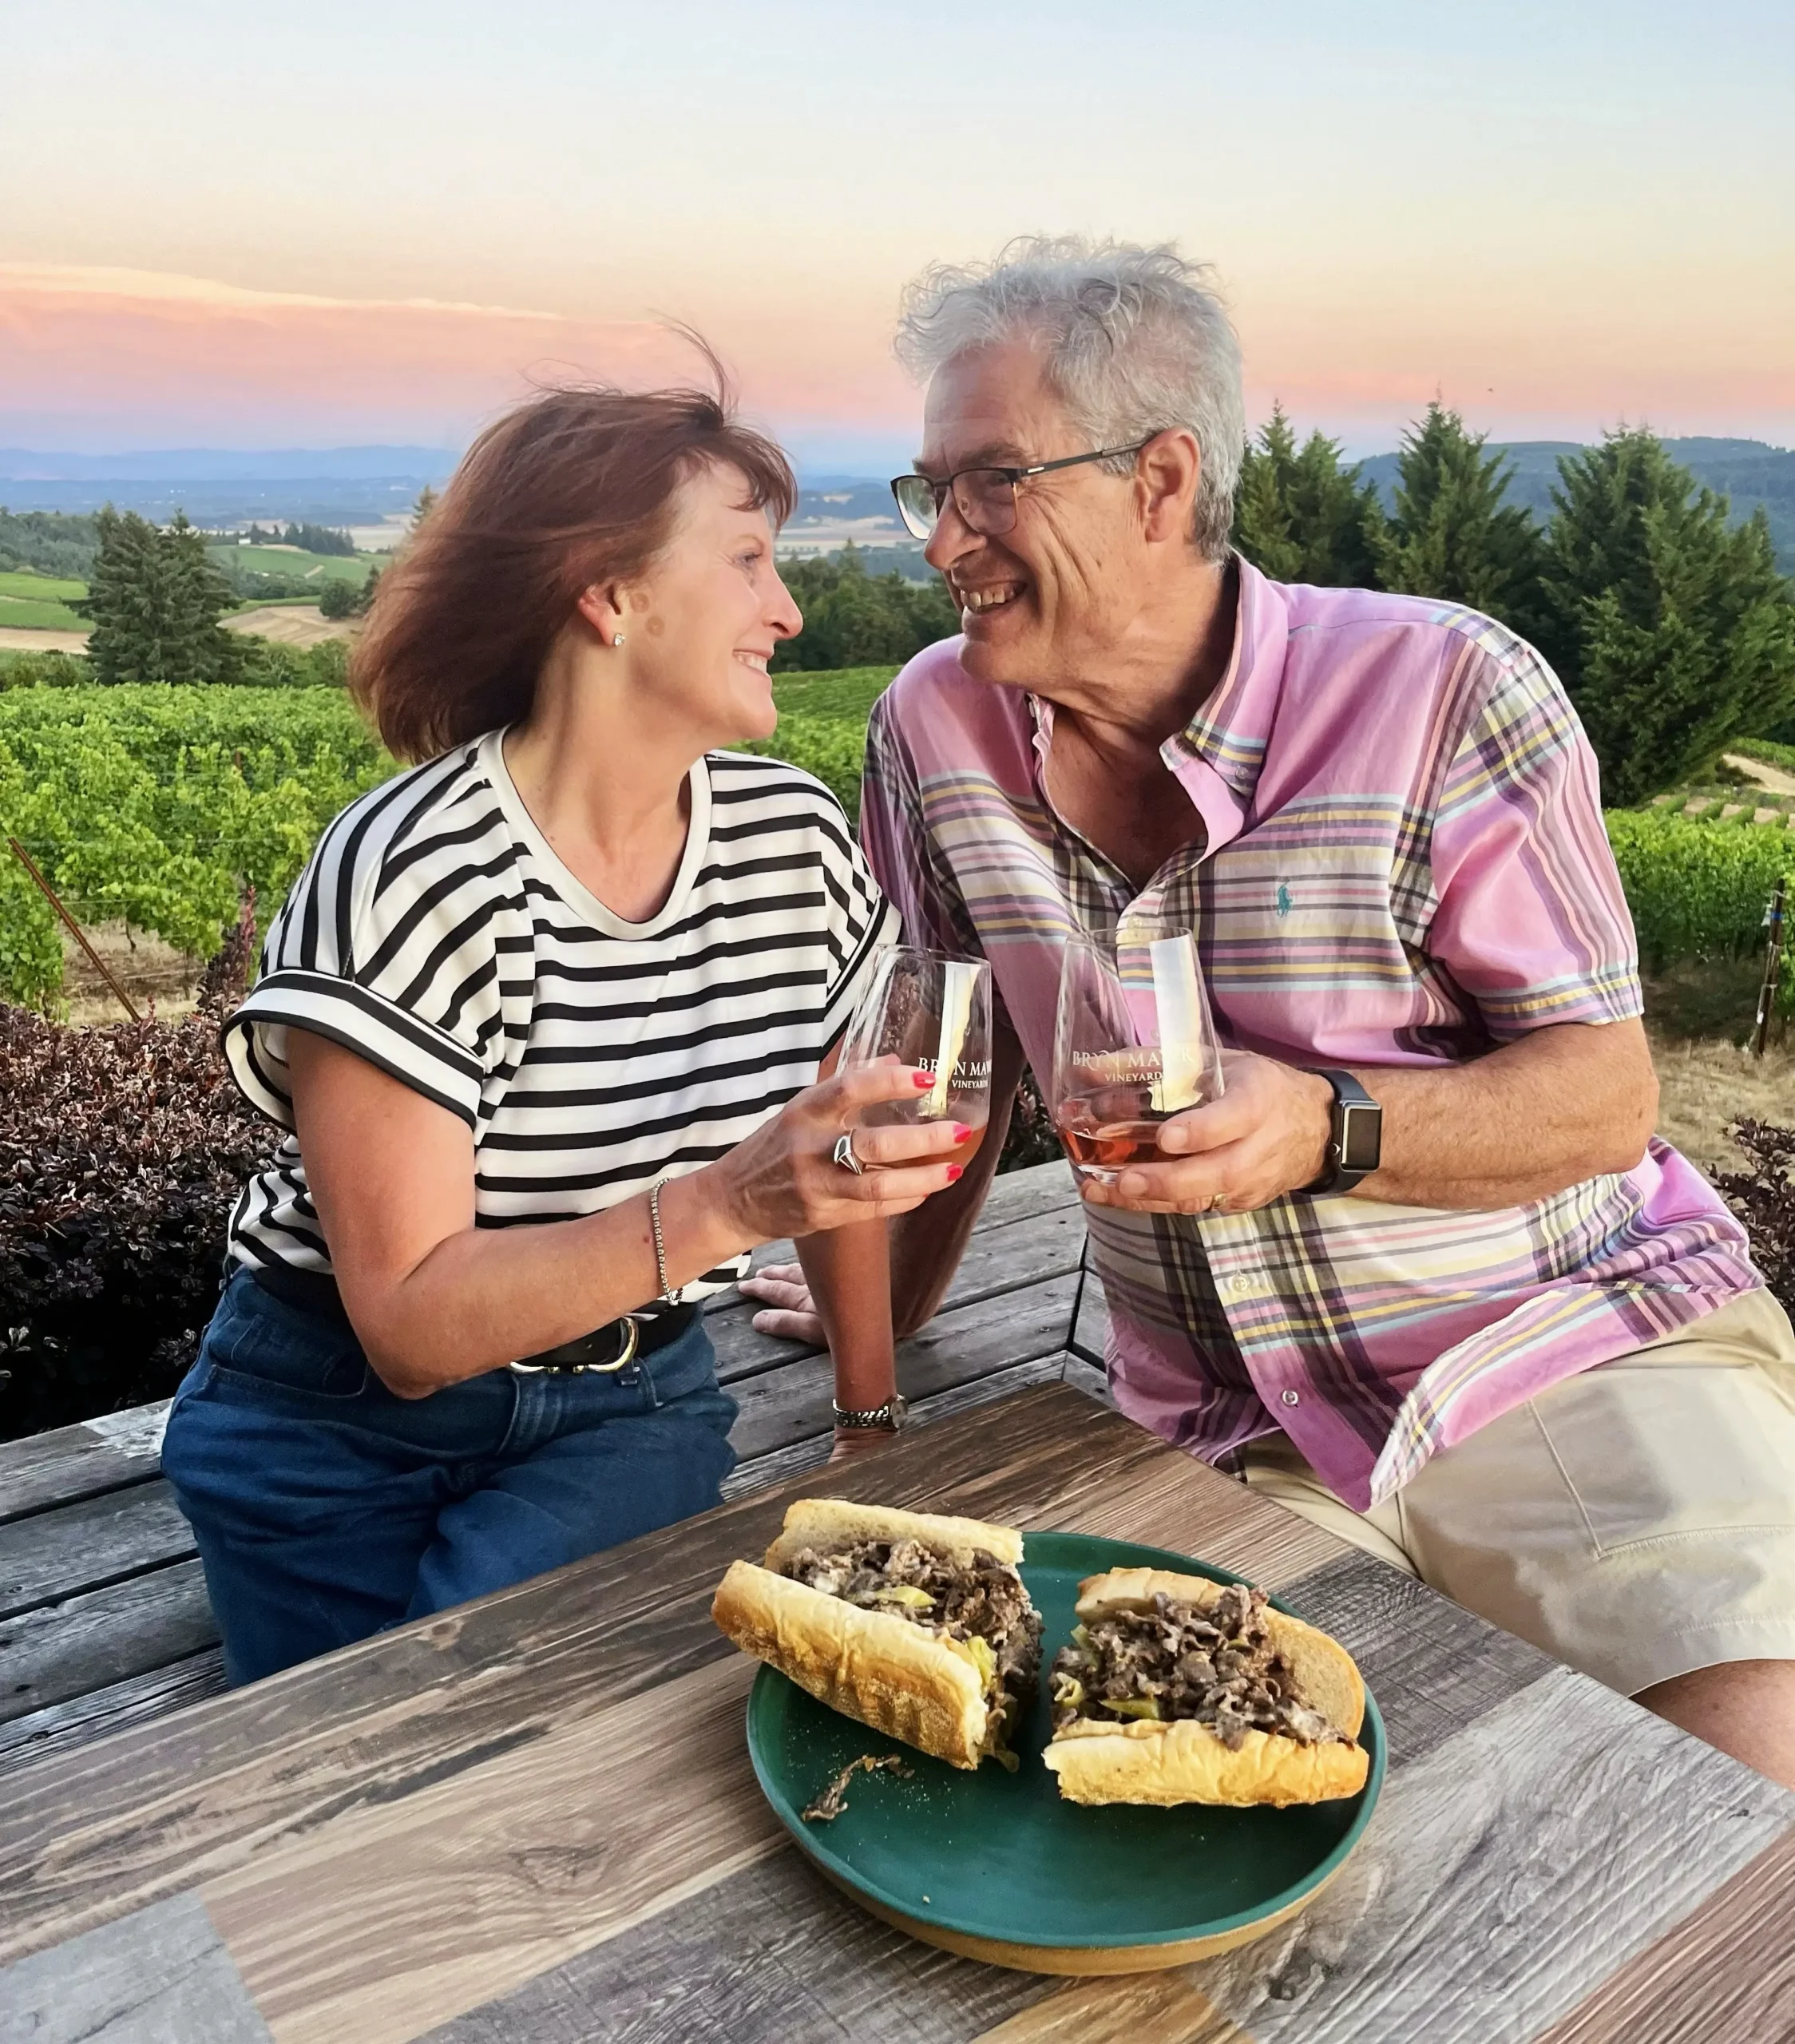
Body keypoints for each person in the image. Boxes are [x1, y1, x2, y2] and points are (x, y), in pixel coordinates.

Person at [743, 237, 1795, 1787]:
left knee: (1741, 1797)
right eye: (927, 491)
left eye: (986, 485)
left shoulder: (1443, 690)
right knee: (1196, 1836)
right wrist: (880, 1337)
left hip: (1563, 1347)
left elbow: (1603, 1095)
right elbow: (946, 1066)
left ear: (1158, 479)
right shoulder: (928, 728)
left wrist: (1316, 1126)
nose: (939, 543)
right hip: (1229, 1433)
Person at [162, 369, 961, 1686]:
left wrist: (871, 1420)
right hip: (333, 1417)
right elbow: (411, 1327)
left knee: (534, 1740)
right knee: (360, 1789)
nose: (790, 607)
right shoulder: (413, 868)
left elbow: (846, 1162)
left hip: (626, 1402)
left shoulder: (797, 845)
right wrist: (725, 1204)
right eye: (750, 559)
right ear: (611, 592)